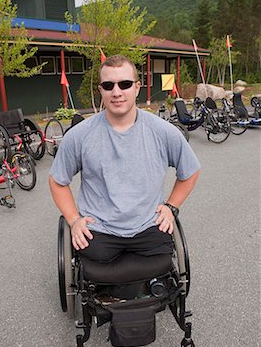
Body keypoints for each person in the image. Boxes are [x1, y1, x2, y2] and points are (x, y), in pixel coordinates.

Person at [49, 54, 200, 267]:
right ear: (101, 90)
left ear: (137, 87)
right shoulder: (80, 135)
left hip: (149, 224)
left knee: (162, 265)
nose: (117, 92)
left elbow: (190, 170)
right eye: (109, 85)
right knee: (94, 263)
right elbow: (57, 181)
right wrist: (74, 220)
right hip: (100, 228)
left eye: (125, 84)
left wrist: (171, 207)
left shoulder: (162, 131)